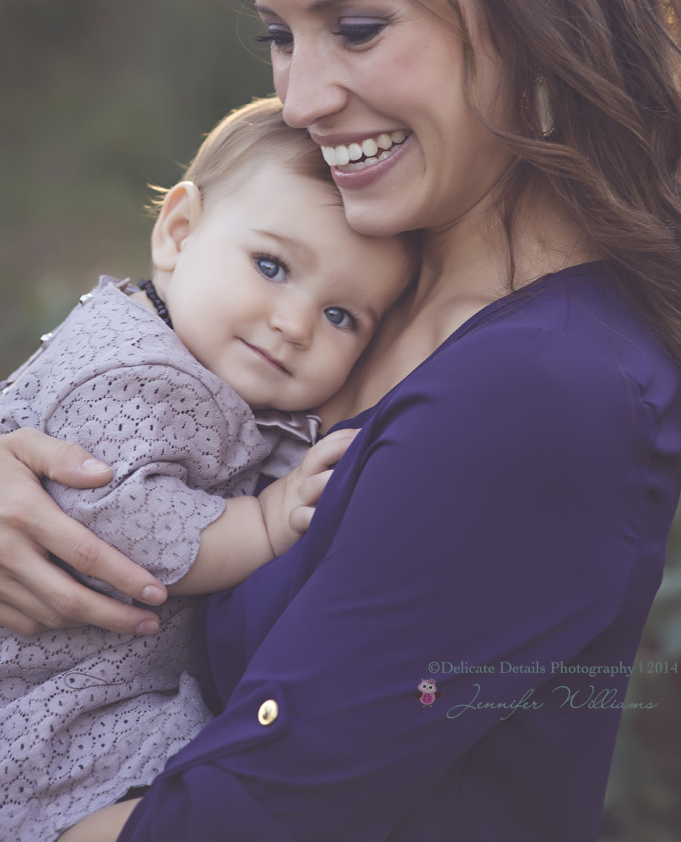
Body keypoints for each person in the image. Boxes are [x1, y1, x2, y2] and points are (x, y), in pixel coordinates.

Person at [2, 0, 681, 839]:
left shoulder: (545, 389)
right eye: (281, 37)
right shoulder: (362, 280)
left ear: (527, 2)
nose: (300, 99)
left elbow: (245, 817)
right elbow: (128, 414)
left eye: (355, 27)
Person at [0, 97, 413, 841]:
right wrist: (262, 517)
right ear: (179, 231)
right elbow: (118, 516)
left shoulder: (208, 365)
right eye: (271, 265)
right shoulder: (137, 370)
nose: (293, 323)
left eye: (342, 316)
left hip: (101, 687)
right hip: (43, 691)